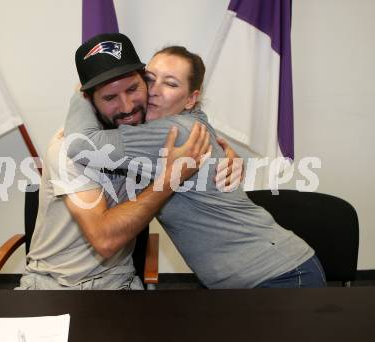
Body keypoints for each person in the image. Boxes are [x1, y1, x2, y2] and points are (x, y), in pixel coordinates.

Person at [64, 33, 327, 289]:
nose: (154, 91)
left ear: (191, 98)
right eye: (150, 79)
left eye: (171, 84)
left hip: (281, 276)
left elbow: (80, 145)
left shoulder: (173, 133)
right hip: (265, 273)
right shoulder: (188, 122)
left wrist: (85, 88)